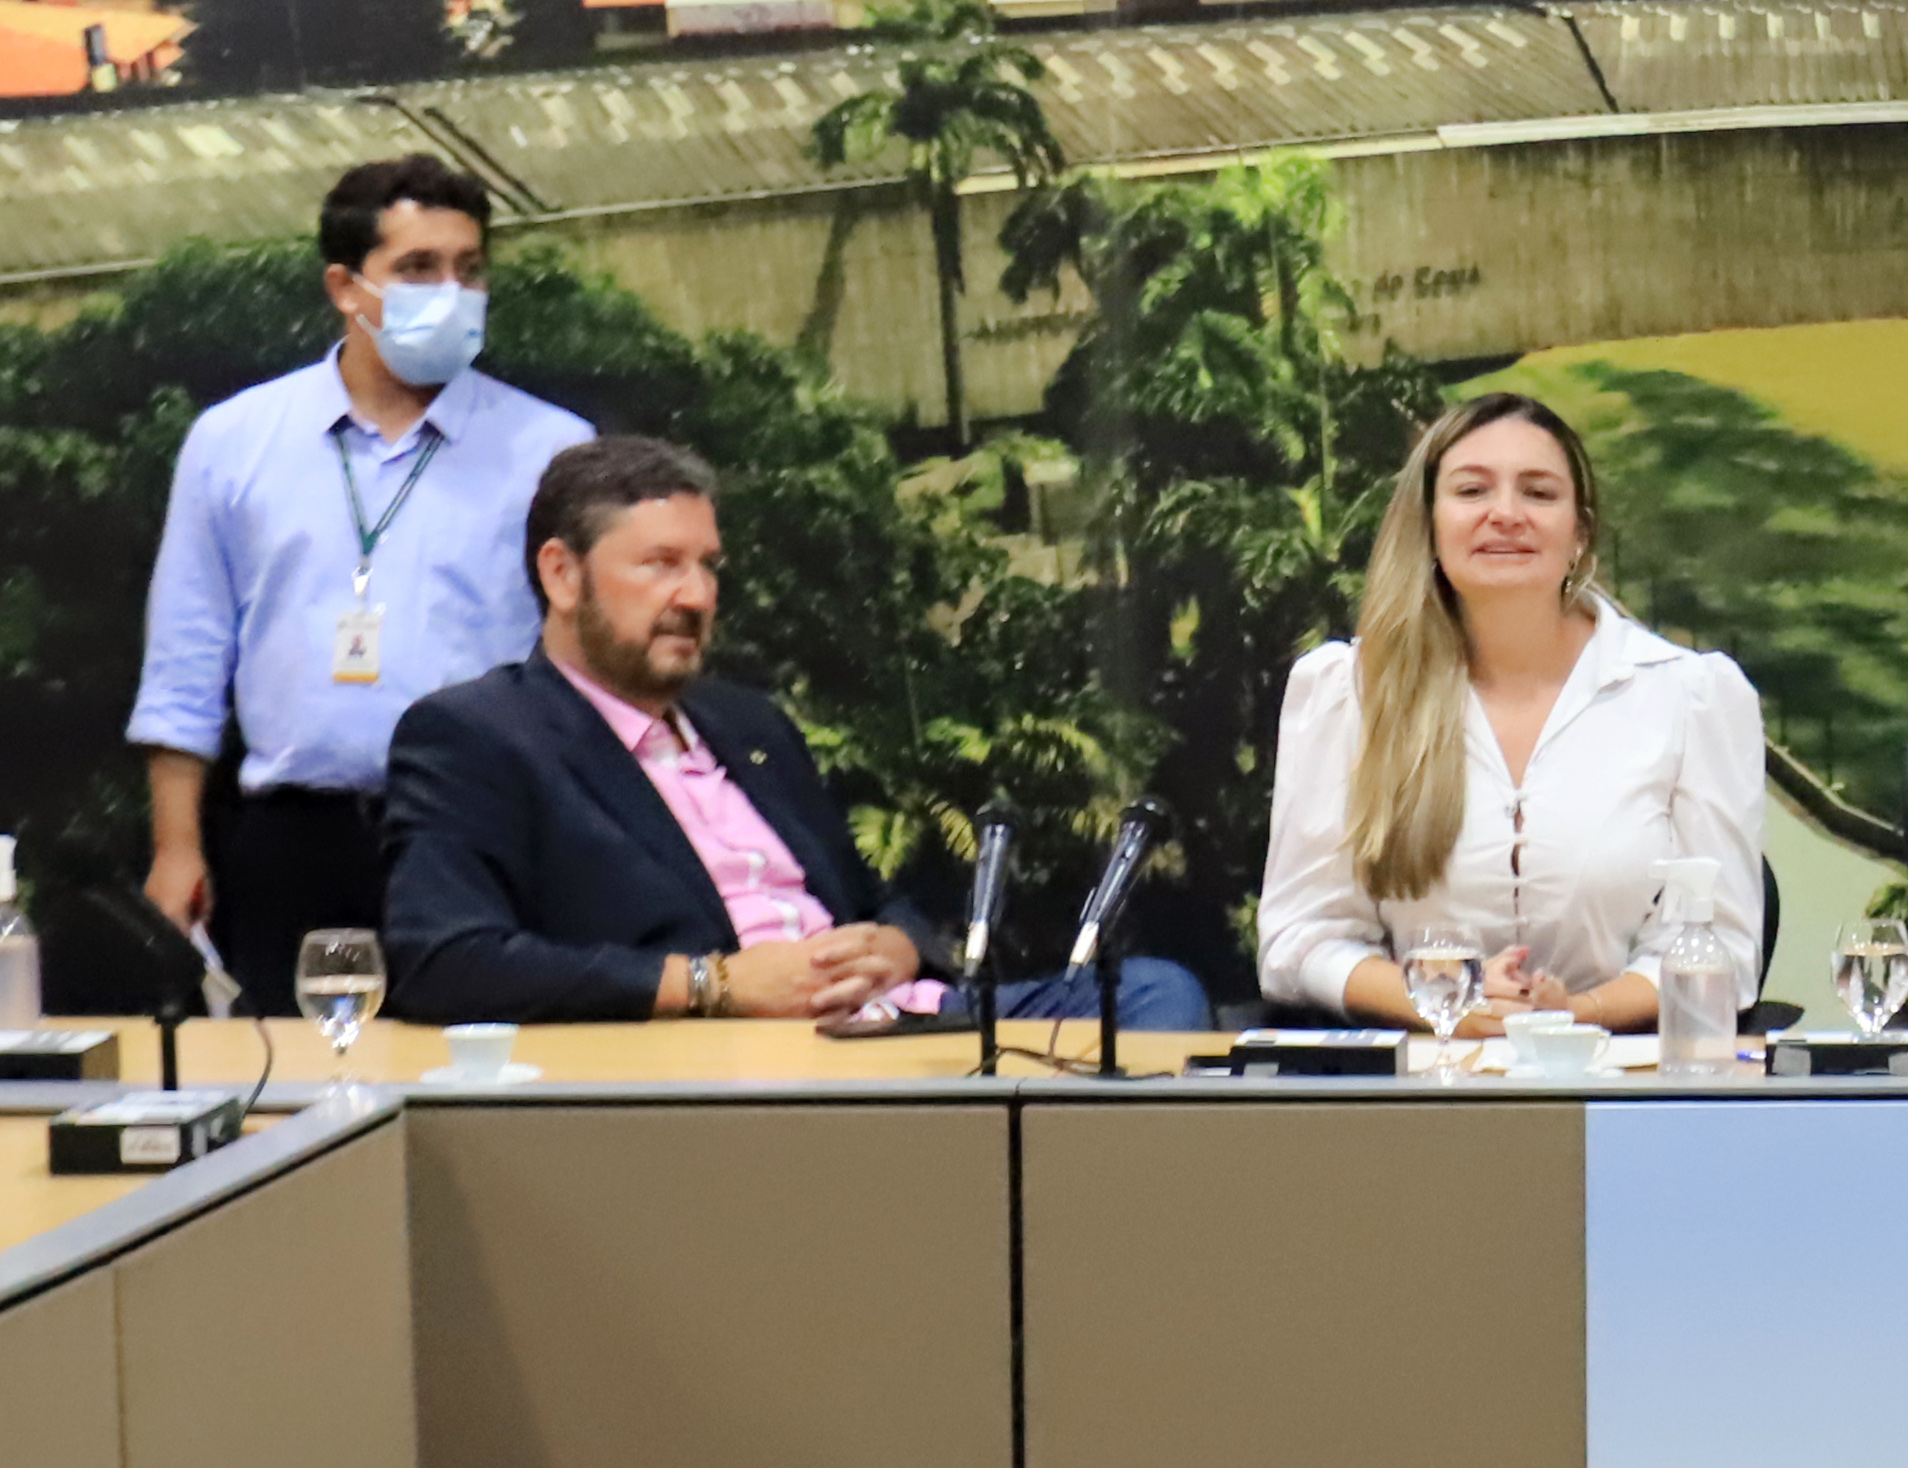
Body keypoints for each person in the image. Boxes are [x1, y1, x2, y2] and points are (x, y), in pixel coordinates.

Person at [381, 437, 1209, 1029]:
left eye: (708, 566)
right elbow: (441, 960)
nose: (696, 596)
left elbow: (869, 900)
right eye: (661, 564)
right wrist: (710, 984)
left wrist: (897, 946)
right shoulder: (481, 735)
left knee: (1154, 994)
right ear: (562, 575)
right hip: (733, 1055)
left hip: (899, 1020)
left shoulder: (748, 724)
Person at [127, 154, 595, 1014]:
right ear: (346, 288)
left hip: (481, 830)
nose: (451, 292)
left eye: (469, 269)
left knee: (482, 1061)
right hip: (292, 837)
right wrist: (176, 847)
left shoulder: (552, 449)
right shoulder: (234, 441)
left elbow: (586, 669)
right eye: (418, 269)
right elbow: (185, 664)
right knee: (297, 1072)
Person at [1260, 393, 1764, 1029]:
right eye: (1472, 491)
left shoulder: (1691, 696)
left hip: (1618, 1072)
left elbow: (1723, 950)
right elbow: (1299, 939)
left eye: (1538, 493)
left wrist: (1578, 1013)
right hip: (1423, 1073)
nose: (1505, 514)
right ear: (1429, 524)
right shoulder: (1347, 692)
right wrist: (1444, 1002)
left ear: (1580, 533)